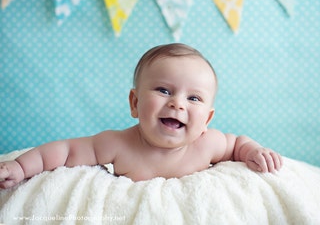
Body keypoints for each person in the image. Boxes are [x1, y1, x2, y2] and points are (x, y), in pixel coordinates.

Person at [0, 43, 282, 188]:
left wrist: (254, 151)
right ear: (135, 103)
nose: (177, 104)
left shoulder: (207, 144)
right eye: (163, 90)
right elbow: (65, 150)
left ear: (206, 121)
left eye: (193, 98)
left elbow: (237, 144)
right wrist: (20, 168)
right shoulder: (118, 144)